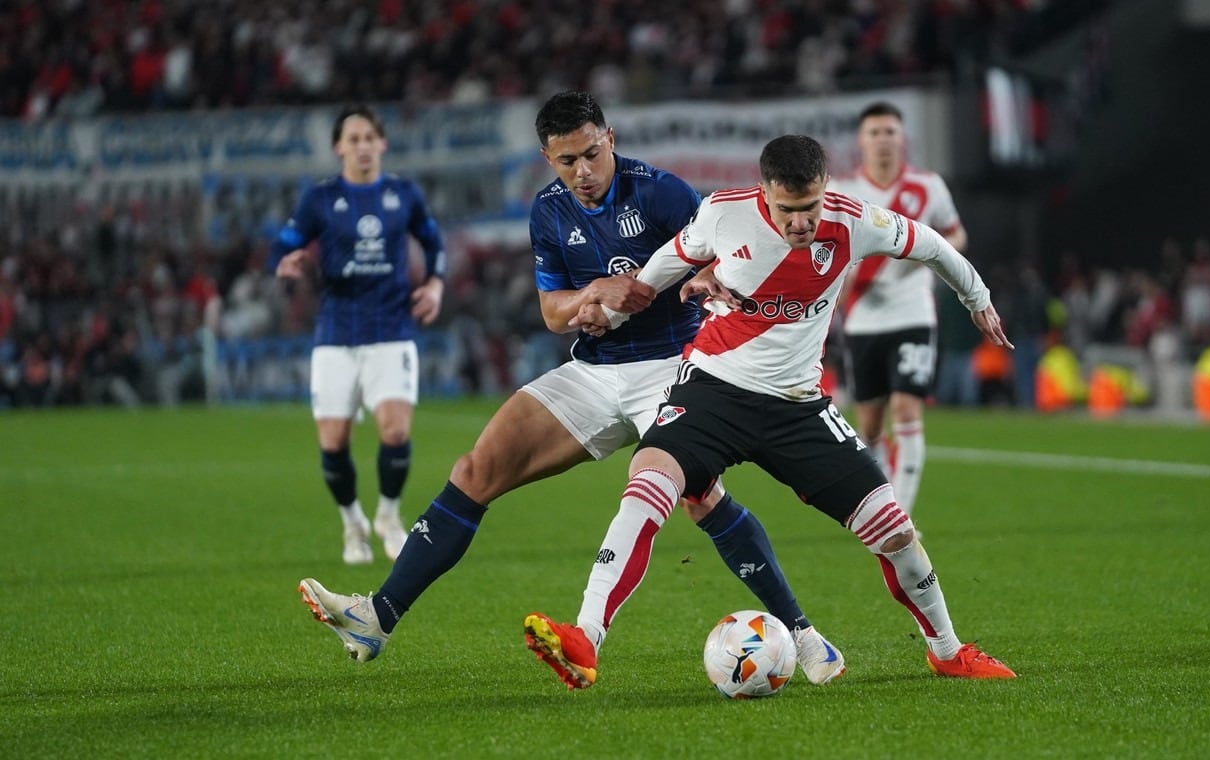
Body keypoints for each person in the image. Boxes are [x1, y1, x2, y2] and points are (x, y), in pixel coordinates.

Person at [297, 92, 844, 689]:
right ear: (546, 157)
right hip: (594, 371)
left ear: (609, 138)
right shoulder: (549, 211)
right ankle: (378, 617)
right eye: (566, 161)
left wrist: (698, 283)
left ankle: (805, 636)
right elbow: (553, 313)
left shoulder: (660, 191)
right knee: (477, 469)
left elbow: (722, 257)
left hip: (676, 367)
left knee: (700, 496)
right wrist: (592, 296)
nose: (582, 172)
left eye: (591, 154)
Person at [530, 134, 1016, 683]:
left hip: (797, 407)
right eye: (787, 210)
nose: (801, 222)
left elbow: (933, 245)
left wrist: (978, 301)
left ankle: (947, 650)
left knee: (896, 532)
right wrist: (612, 317)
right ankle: (586, 637)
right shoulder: (722, 214)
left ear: (825, 189)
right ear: (764, 191)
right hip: (713, 389)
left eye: (809, 208)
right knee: (649, 479)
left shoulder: (856, 222)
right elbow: (660, 271)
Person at [268, 104, 446, 565]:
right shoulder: (320, 199)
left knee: (395, 428)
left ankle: (387, 514)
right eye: (354, 138)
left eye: (370, 137)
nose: (363, 145)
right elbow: (284, 244)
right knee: (333, 443)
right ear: (338, 147)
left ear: (382, 143)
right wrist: (284, 263)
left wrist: (436, 284)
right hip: (336, 333)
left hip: (391, 328)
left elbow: (433, 241)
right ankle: (352, 524)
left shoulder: (403, 194)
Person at [827, 101, 968, 519]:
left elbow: (956, 234)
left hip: (913, 313)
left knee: (907, 407)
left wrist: (930, 255)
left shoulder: (928, 186)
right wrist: (843, 276)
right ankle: (885, 497)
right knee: (869, 425)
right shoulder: (841, 193)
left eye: (890, 132)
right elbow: (828, 253)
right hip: (864, 317)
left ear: (902, 138)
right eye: (875, 133)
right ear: (862, 140)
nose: (883, 140)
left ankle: (900, 516)